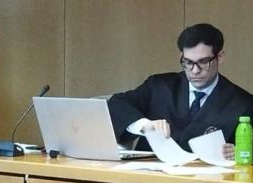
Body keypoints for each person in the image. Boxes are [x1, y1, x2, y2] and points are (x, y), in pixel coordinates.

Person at [108, 23, 253, 157]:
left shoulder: (243, 104)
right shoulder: (159, 86)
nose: (195, 70)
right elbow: (116, 104)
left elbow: (247, 151)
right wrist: (144, 125)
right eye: (188, 62)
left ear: (220, 57)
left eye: (203, 62)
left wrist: (243, 153)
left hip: (203, 175)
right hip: (148, 172)